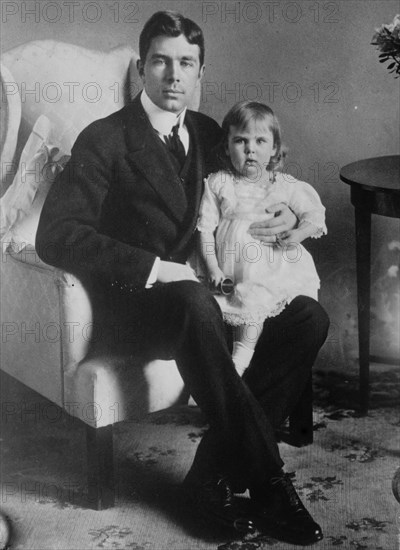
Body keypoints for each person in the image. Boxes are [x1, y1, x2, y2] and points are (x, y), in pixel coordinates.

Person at [35, 10, 329, 546]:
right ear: (141, 68)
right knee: (194, 300)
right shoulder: (105, 138)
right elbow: (56, 235)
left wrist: (291, 215)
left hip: (212, 295)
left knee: (309, 316)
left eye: (186, 64)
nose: (174, 76)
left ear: (199, 73)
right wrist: (153, 268)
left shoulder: (209, 130)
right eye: (161, 62)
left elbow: (253, 183)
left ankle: (208, 474)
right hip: (135, 306)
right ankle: (268, 484)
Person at [197, 101, 327, 375]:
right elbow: (206, 228)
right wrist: (213, 268)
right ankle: (228, 377)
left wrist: (296, 234)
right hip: (229, 267)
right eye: (240, 141)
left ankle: (238, 364)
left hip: (269, 267)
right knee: (232, 305)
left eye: (260, 141)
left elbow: (314, 215)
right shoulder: (219, 182)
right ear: (226, 146)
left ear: (275, 149)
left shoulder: (282, 184)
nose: (250, 149)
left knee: (255, 301)